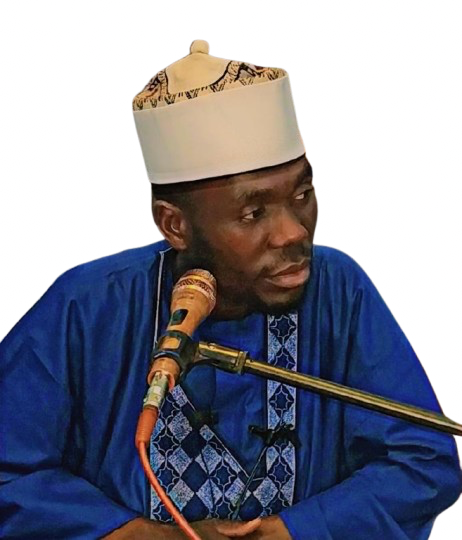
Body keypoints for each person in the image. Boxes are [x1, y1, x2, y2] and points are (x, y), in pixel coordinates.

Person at [1, 39, 461, 540]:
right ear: (174, 225)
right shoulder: (87, 304)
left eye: (303, 194)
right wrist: (139, 535)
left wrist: (296, 530)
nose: (293, 233)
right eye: (253, 213)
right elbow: (8, 472)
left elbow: (425, 461)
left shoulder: (338, 287)